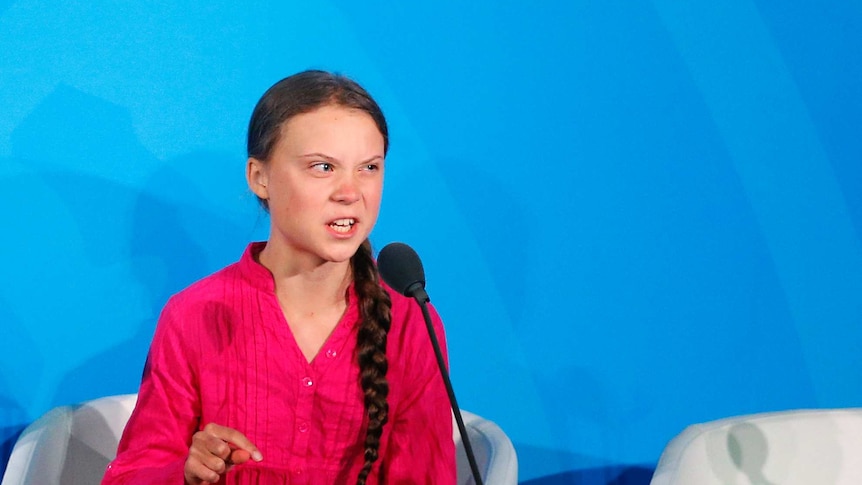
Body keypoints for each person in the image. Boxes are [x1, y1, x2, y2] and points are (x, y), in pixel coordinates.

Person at [102, 70, 456, 484]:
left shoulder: (412, 323)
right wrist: (184, 472)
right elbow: (132, 473)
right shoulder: (193, 315)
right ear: (259, 177)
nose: (350, 191)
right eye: (323, 167)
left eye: (369, 168)